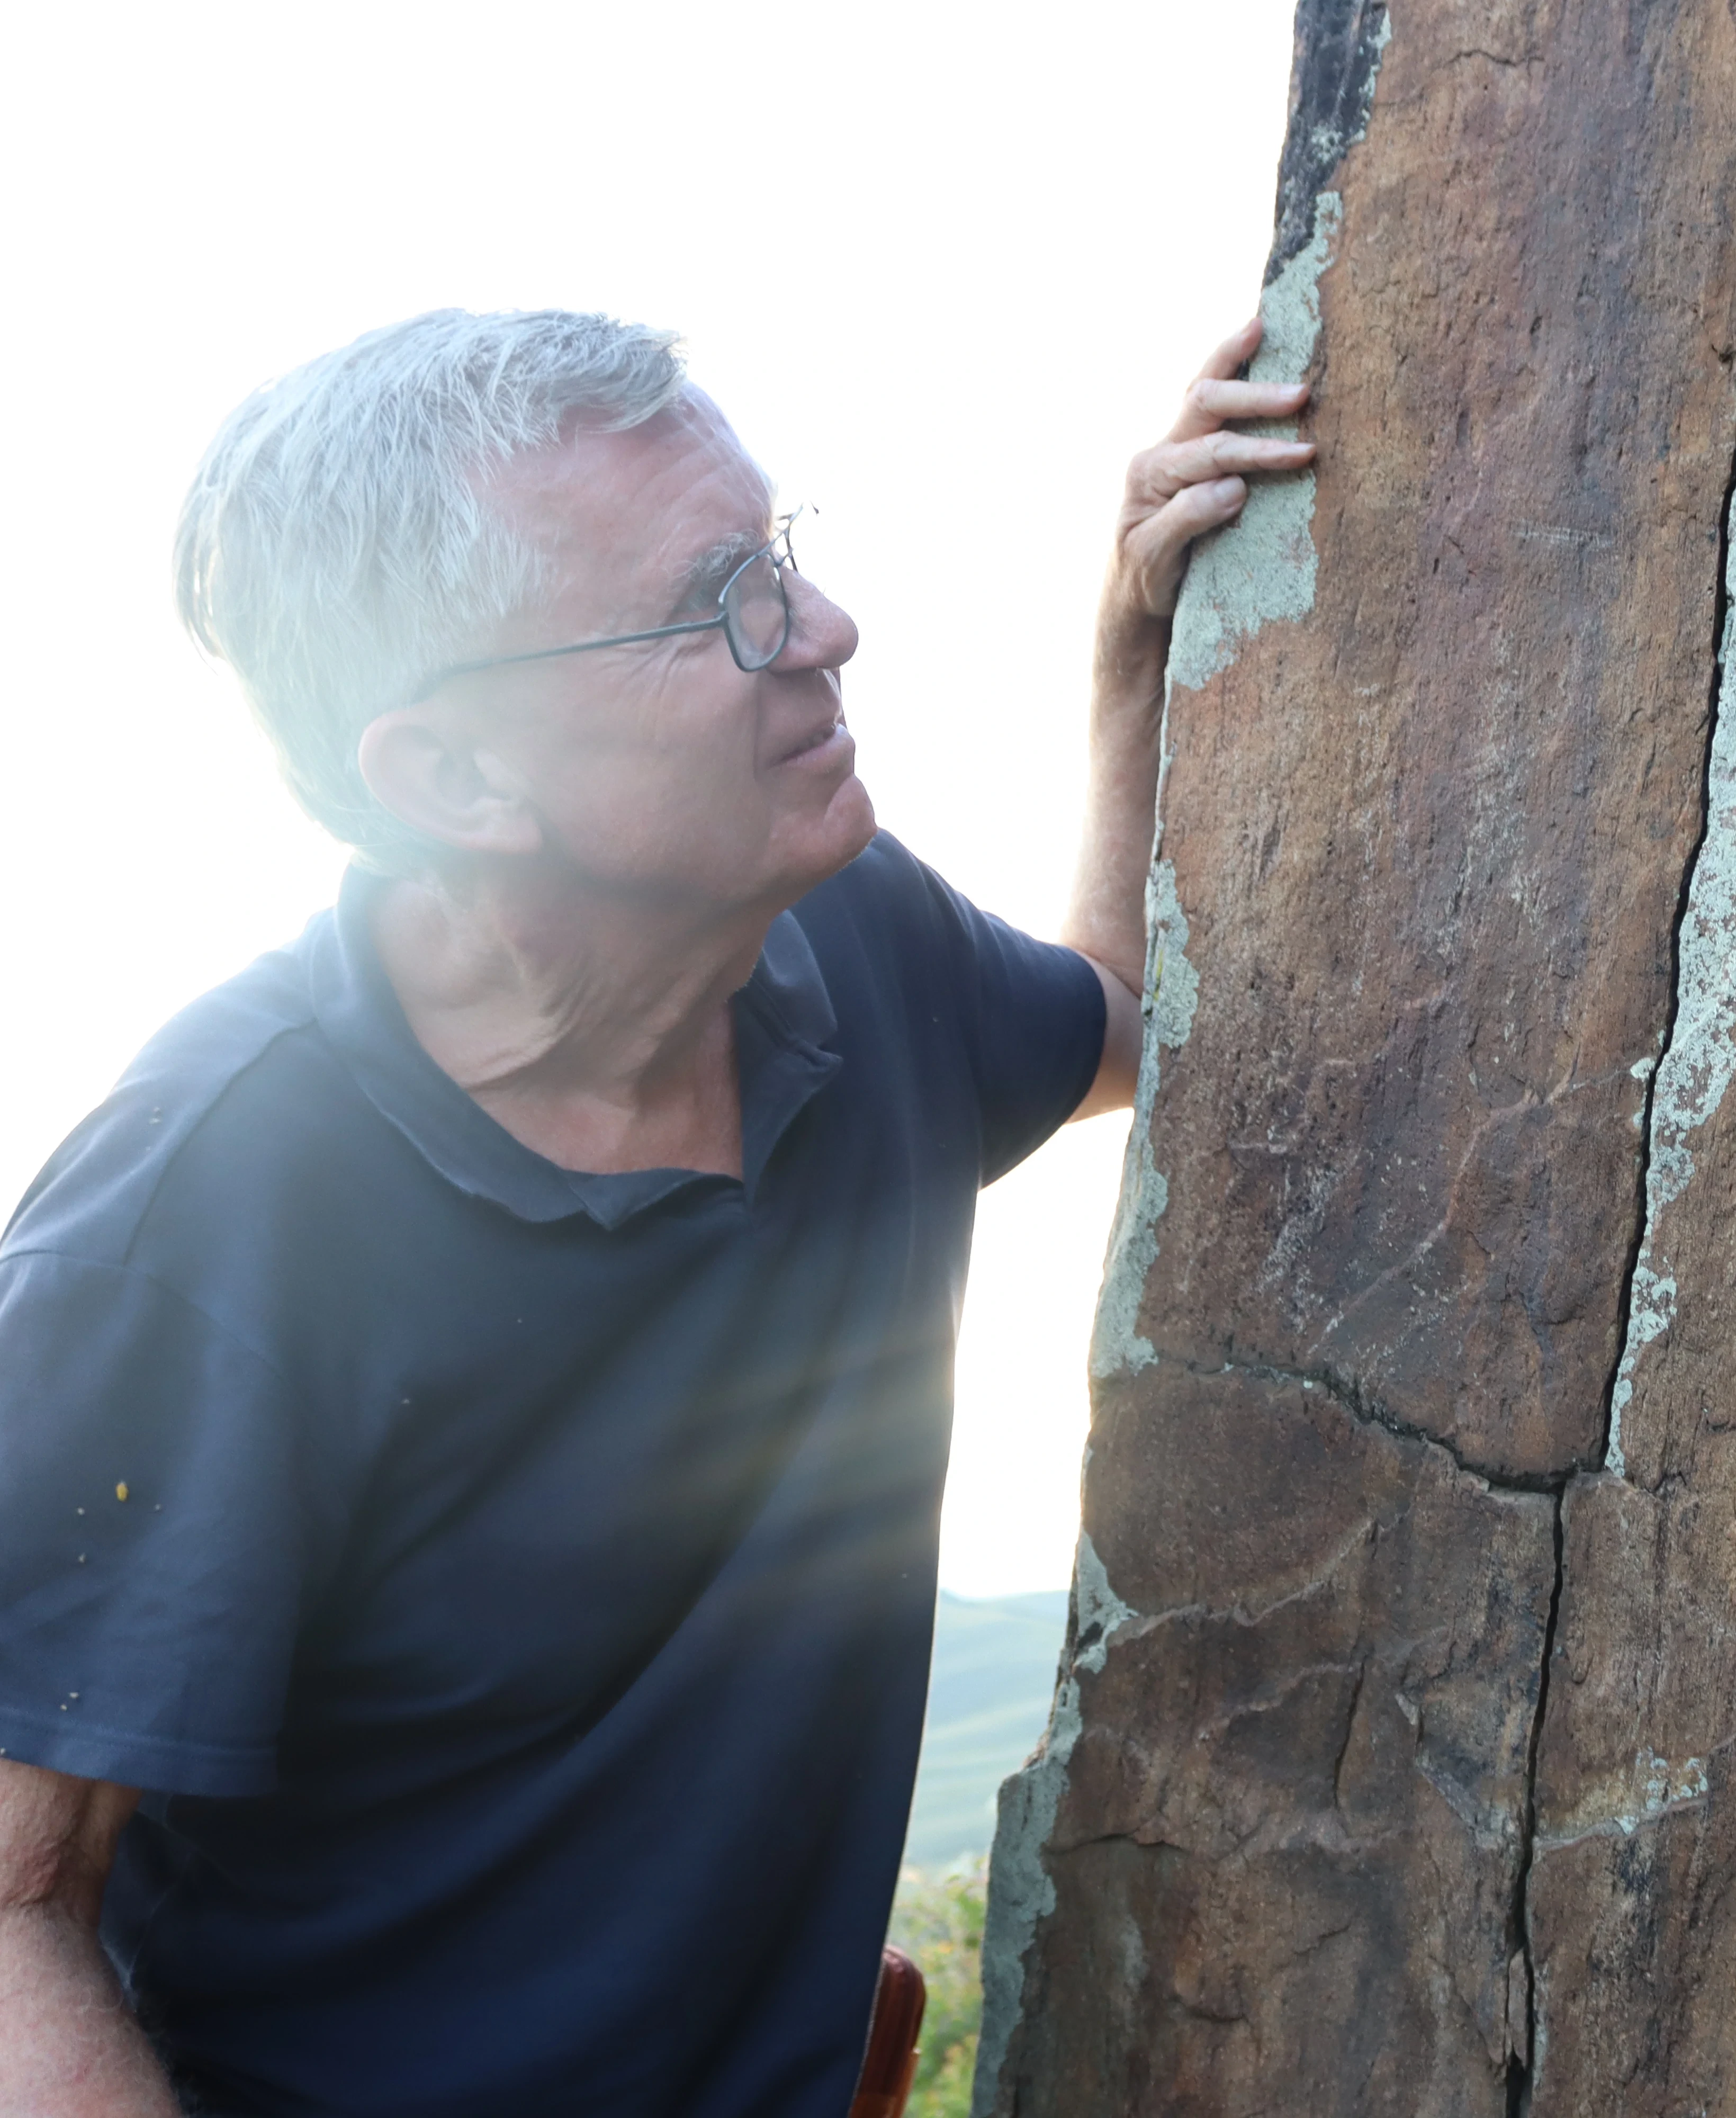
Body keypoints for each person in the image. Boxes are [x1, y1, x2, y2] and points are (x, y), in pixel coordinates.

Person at [0, 307, 1311, 2116]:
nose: (827, 635)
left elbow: (1114, 1017)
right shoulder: (200, 1222)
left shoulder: (855, 946)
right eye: (721, 606)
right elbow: (9, 1899)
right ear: (453, 778)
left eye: (781, 557)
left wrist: (1134, 658)